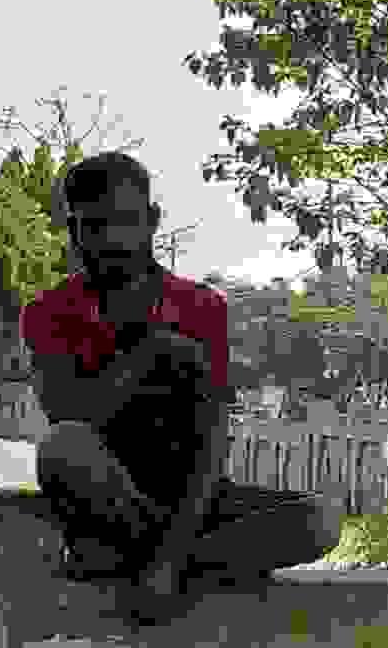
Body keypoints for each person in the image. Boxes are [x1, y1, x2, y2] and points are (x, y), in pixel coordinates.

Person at [22, 153, 342, 619]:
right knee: (62, 448)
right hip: (106, 494)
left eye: (125, 222)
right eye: (95, 226)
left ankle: (147, 561)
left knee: (319, 520)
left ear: (151, 220)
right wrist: (148, 349)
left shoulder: (200, 307)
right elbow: (68, 416)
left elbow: (213, 435)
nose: (112, 240)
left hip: (193, 496)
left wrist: (171, 555)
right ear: (74, 229)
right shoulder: (49, 312)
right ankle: (176, 559)